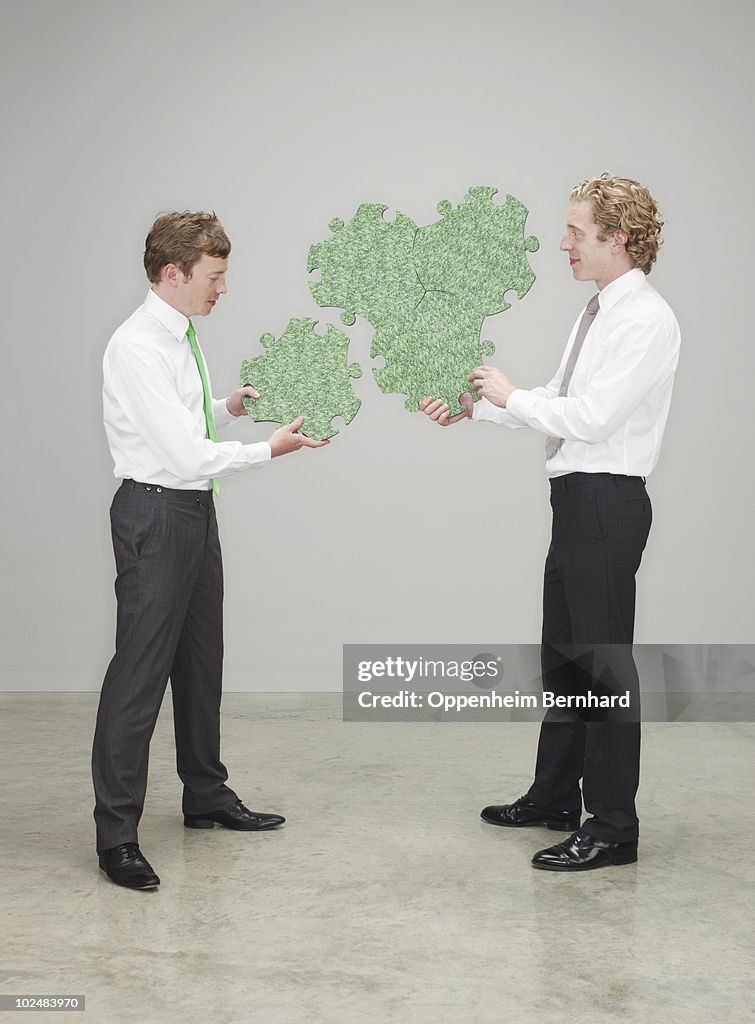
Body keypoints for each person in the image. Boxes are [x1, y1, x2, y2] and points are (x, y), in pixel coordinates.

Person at [421, 173, 680, 871]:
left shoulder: (644, 319)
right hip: (576, 500)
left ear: (615, 238)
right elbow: (559, 401)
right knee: (563, 657)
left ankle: (612, 828)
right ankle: (554, 798)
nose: (560, 241)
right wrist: (476, 406)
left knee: (600, 667)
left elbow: (591, 420)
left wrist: (508, 392)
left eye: (574, 230)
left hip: (605, 500)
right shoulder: (597, 310)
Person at [93, 211, 327, 890]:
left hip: (193, 509)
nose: (222, 288)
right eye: (214, 276)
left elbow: (182, 420)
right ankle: (116, 837)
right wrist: (268, 449)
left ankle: (206, 796)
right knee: (139, 676)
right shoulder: (137, 345)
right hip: (157, 512)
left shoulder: (179, 336)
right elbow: (179, 452)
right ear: (174, 273)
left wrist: (228, 404)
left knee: (200, 662)